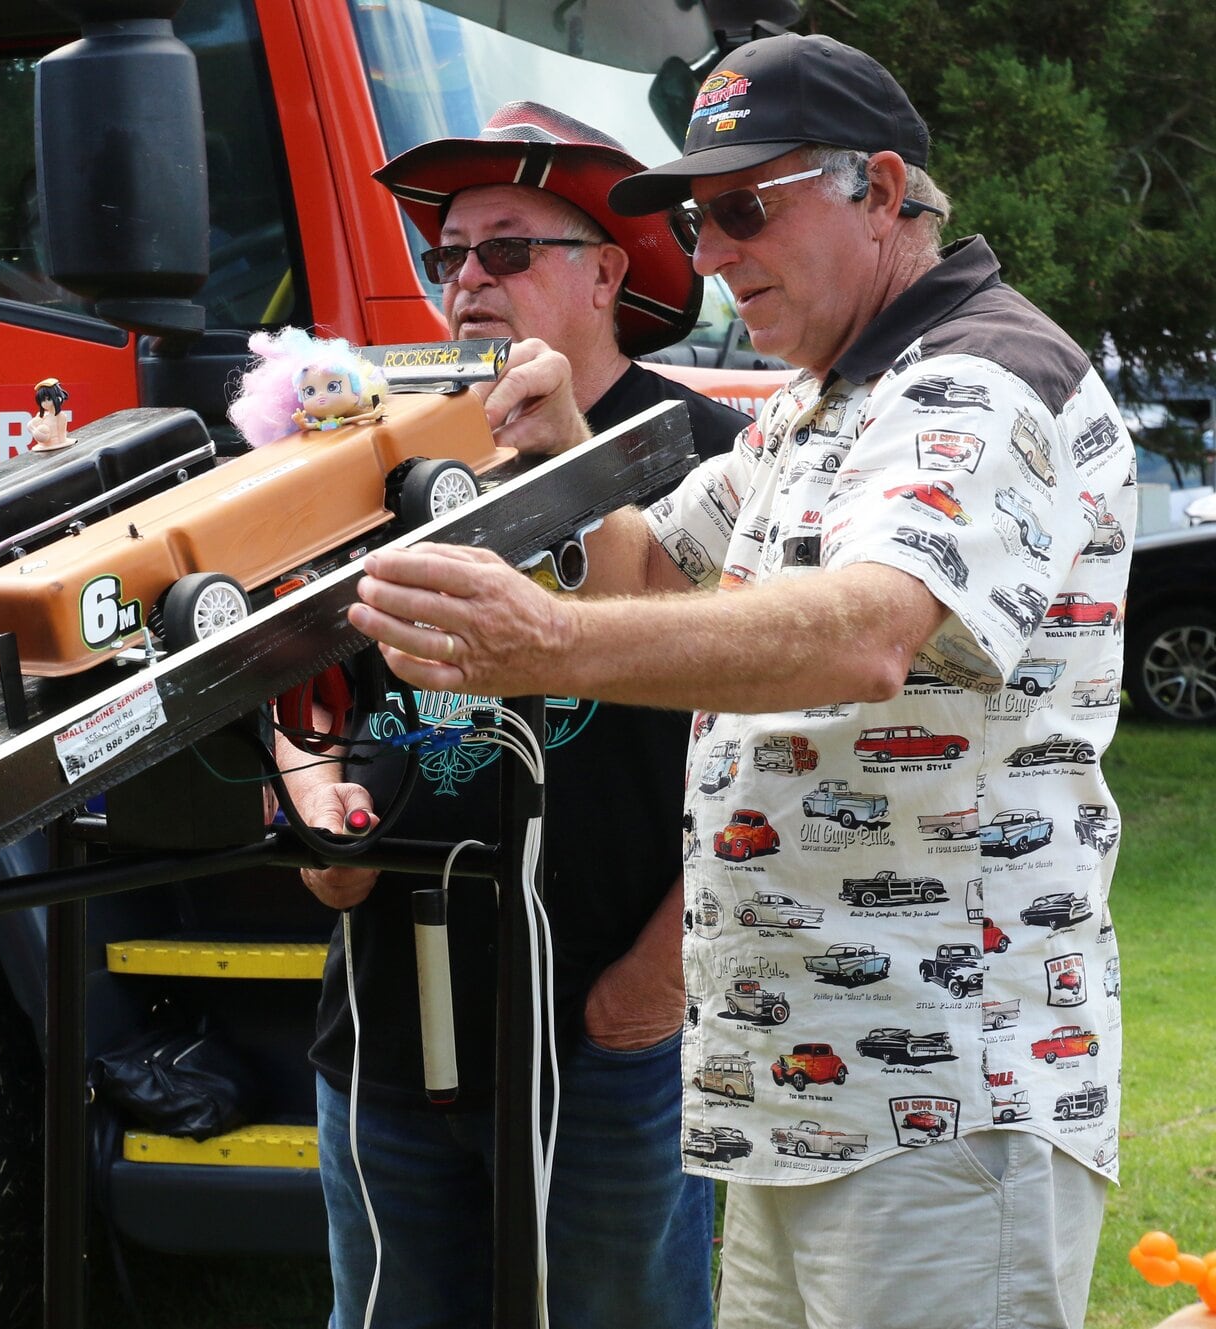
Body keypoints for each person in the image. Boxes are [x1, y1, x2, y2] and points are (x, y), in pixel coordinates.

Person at [346, 34, 1132, 1329]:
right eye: (695, 221)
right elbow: (645, 575)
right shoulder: (819, 396)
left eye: (742, 210)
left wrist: (535, 646)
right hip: (800, 1088)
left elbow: (867, 631)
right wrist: (566, 451)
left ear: (881, 190)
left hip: (943, 1099)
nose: (706, 255)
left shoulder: (984, 378)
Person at [277, 102, 749, 1329]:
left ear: (603, 270)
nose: (465, 278)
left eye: (504, 249)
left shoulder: (711, 454)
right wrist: (308, 786)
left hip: (609, 1034)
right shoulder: (378, 461)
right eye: (446, 257)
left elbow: (775, 754)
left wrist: (651, 989)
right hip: (390, 1019)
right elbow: (292, 683)